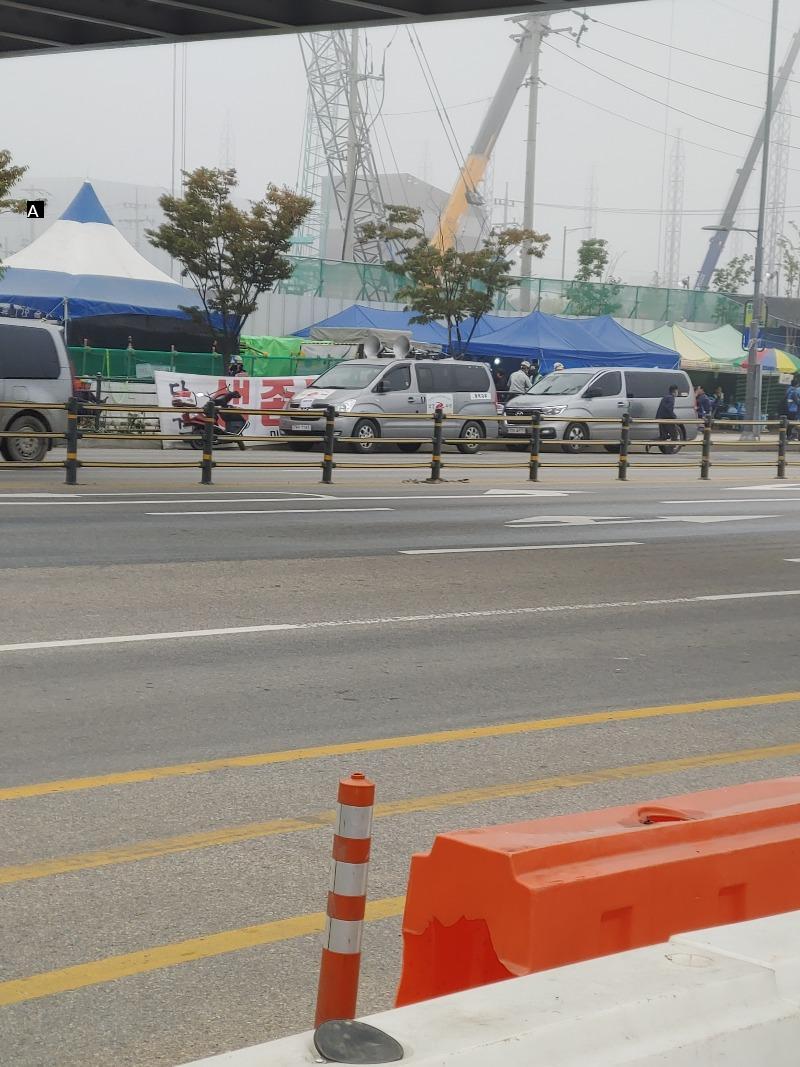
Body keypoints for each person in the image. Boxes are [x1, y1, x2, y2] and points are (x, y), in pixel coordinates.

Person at [647, 385, 679, 453]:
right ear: (675, 391)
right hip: (667, 419)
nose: (677, 393)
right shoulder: (671, 398)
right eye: (677, 391)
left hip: (661, 418)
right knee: (674, 435)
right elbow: (668, 409)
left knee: (663, 436)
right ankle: (670, 450)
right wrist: (674, 417)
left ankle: (650, 443)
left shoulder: (666, 397)